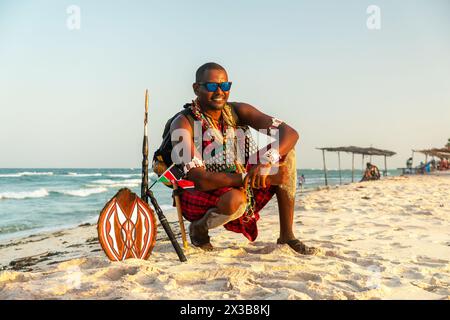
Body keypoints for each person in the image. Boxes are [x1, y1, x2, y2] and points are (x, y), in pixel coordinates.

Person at [168, 62, 317, 254]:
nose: (220, 92)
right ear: (196, 88)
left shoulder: (237, 111)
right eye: (212, 86)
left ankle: (287, 235)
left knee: (285, 155)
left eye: (225, 86)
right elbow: (198, 178)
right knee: (235, 199)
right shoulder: (182, 123)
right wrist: (248, 177)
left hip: (237, 178)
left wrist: (267, 160)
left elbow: (289, 133)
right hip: (199, 192)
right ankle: (200, 227)